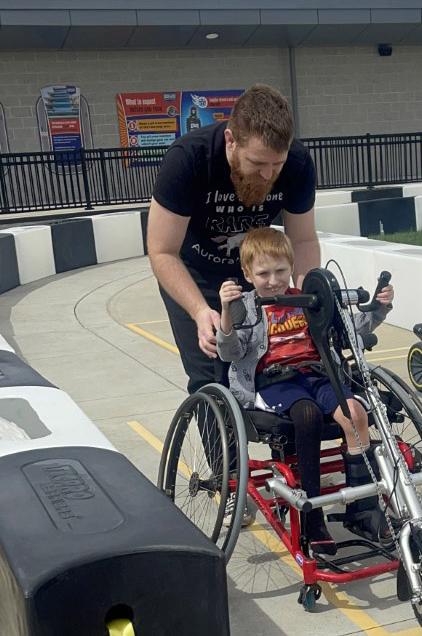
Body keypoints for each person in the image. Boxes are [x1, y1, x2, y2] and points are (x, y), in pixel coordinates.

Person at [216, 228, 394, 556]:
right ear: (247, 274)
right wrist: (225, 313)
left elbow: (350, 328)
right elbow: (230, 352)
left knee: (356, 414)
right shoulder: (244, 306)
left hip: (318, 375)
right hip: (274, 381)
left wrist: (379, 308)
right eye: (263, 273)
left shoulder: (309, 299)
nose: (273, 280)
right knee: (307, 413)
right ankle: (312, 516)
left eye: (280, 271)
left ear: (292, 266)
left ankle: (364, 509)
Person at [147, 84, 321, 394]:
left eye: (276, 165)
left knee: (279, 365)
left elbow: (304, 240)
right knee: (212, 377)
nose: (268, 175)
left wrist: (304, 297)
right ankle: (221, 442)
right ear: (231, 141)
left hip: (256, 272)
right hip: (194, 274)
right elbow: (162, 251)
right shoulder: (188, 159)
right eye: (257, 164)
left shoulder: (297, 162)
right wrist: (200, 311)